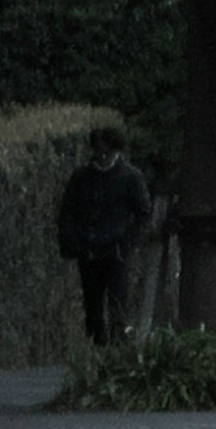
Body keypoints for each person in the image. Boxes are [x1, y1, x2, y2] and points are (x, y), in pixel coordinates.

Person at [57, 122, 155, 344]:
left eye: (107, 152)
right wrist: (72, 239)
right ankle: (97, 347)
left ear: (117, 151)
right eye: (98, 151)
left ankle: (118, 348)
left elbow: (143, 213)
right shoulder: (81, 177)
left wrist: (127, 242)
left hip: (115, 251)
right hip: (88, 249)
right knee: (92, 306)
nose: (102, 156)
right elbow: (67, 210)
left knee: (117, 303)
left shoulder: (130, 177)